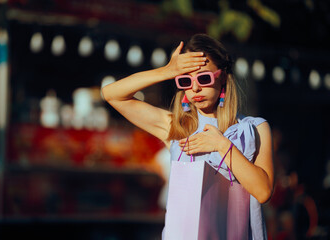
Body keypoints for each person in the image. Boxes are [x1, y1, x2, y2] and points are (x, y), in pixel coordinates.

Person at [102, 33, 274, 239]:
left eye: (204, 78)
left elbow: (263, 191)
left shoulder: (254, 127)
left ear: (223, 78)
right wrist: (167, 70)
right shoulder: (176, 127)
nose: (195, 88)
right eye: (185, 80)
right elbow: (111, 94)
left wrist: (222, 146)